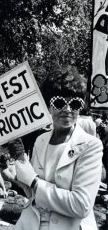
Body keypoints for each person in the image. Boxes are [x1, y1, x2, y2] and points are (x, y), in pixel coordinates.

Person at [9, 65, 103, 230]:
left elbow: (81, 205)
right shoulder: (40, 140)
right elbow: (33, 196)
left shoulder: (91, 146)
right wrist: (22, 178)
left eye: (74, 104)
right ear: (48, 105)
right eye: (59, 102)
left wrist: (34, 182)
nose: (67, 109)